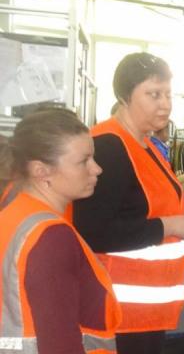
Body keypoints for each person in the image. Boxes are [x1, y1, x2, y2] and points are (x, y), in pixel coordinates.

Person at [73, 52, 184, 354]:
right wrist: (171, 226)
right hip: (118, 312)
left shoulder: (146, 146)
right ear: (124, 96)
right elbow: (93, 232)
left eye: (168, 94)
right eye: (153, 94)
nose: (165, 104)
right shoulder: (108, 146)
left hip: (144, 313)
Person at [0, 108, 122, 353]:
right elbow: (58, 341)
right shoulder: (51, 237)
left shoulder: (14, 211)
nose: (96, 169)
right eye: (83, 161)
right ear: (41, 171)